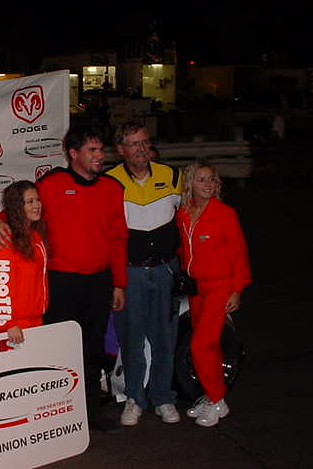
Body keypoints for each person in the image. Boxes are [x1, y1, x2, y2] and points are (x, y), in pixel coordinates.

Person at [0, 126, 127, 432]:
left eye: (101, 149)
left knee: (94, 348)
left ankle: (91, 411)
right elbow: (18, 206)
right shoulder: (52, 184)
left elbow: (119, 239)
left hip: (99, 282)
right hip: (62, 282)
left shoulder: (112, 188)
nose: (99, 156)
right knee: (60, 350)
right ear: (73, 153)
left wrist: (119, 283)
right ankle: (58, 412)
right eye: (92, 150)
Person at [106, 121, 183, 426]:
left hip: (165, 270)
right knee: (132, 338)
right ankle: (135, 398)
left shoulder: (172, 176)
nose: (140, 149)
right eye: (133, 144)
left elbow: (194, 214)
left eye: (143, 142)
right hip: (130, 273)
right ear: (120, 150)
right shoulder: (109, 182)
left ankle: (163, 398)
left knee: (164, 338)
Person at [176, 161, 251, 427]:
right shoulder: (184, 213)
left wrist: (236, 289)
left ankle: (218, 400)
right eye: (201, 180)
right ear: (190, 183)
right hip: (196, 287)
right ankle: (211, 395)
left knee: (200, 345)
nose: (208, 185)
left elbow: (238, 253)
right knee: (208, 346)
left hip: (219, 286)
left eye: (211, 179)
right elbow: (182, 249)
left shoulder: (225, 214)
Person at [0, 180, 48, 344]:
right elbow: (0, 285)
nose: (37, 205)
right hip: (15, 327)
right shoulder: (6, 238)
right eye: (30, 202)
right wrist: (8, 324)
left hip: (36, 320)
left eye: (38, 200)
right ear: (17, 207)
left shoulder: (35, 235)